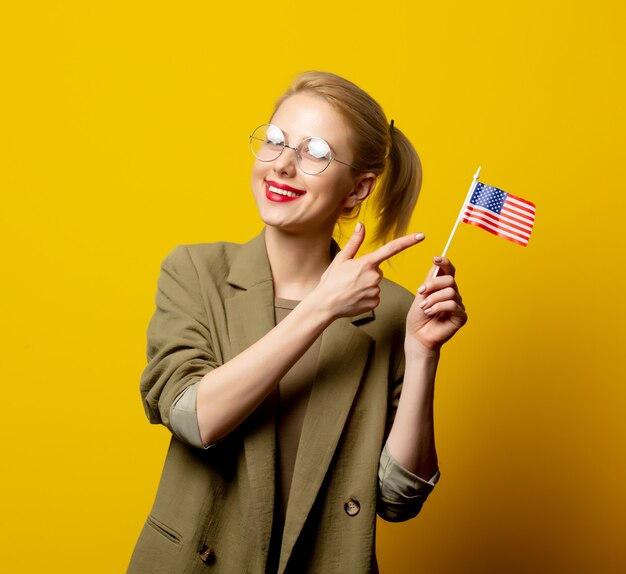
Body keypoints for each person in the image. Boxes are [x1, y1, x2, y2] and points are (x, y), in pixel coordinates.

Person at [127, 71, 467, 574]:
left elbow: (398, 499)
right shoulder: (194, 272)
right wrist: (321, 307)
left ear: (357, 190)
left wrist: (422, 356)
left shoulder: (392, 313)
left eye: (315, 153)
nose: (283, 165)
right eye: (275, 141)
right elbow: (194, 417)